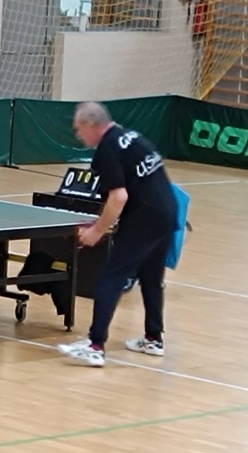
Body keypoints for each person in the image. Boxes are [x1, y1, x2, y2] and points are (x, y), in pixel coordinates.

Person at [57, 101, 177, 367]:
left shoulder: (107, 149)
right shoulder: (130, 136)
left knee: (110, 277)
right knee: (151, 277)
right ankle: (153, 338)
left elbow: (119, 197)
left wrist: (97, 231)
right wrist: (100, 220)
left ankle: (95, 345)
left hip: (143, 218)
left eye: (78, 129)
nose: (78, 135)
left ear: (91, 125)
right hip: (166, 212)